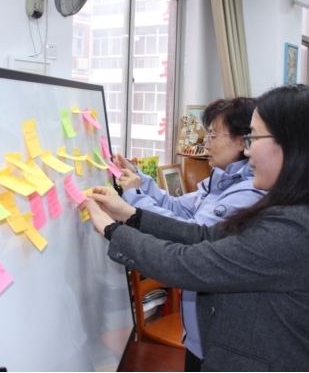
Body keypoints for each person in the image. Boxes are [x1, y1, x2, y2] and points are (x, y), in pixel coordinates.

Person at [81, 84, 309, 371]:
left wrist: (113, 231)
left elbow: (189, 264)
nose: (247, 151)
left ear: (291, 144)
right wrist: (131, 215)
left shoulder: (295, 229)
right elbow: (203, 235)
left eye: (253, 138)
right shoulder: (293, 209)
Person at [112, 97, 265, 371]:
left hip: (217, 334)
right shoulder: (220, 180)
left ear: (243, 141)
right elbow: (175, 207)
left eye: (214, 135)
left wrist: (132, 197)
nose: (206, 143)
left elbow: (189, 234)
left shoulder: (245, 193)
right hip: (199, 330)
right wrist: (138, 177)